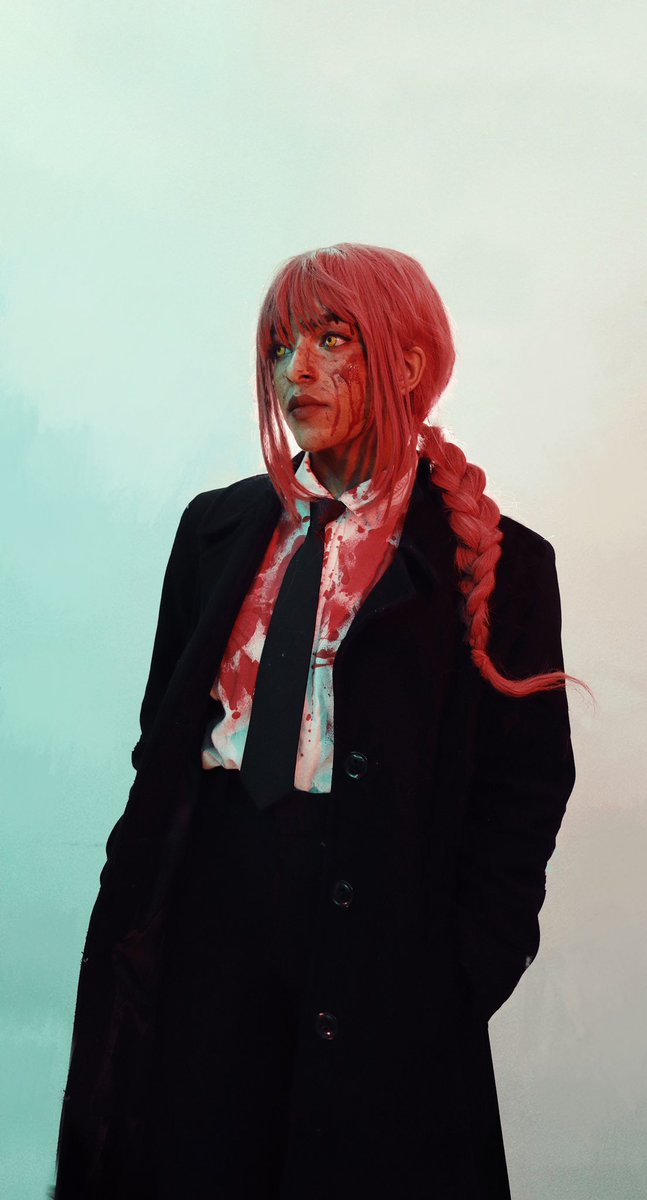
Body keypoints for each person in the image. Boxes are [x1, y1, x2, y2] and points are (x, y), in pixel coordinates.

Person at [52, 243, 588, 1200]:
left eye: (330, 339)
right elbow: (160, 749)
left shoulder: (504, 565)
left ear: (408, 363)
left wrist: (459, 977)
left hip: (376, 944)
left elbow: (523, 798)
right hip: (206, 936)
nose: (294, 368)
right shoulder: (213, 531)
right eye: (278, 345)